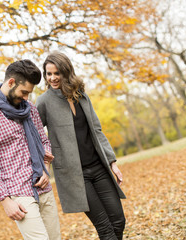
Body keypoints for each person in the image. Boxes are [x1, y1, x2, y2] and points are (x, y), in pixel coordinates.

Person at [36, 51, 126, 240]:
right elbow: (35, 134)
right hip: (75, 176)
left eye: (56, 73)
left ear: (66, 72)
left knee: (118, 220)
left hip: (99, 168)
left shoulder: (81, 95)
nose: (52, 78)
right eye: (48, 74)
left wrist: (112, 162)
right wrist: (43, 161)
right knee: (105, 228)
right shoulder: (44, 102)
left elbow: (97, 130)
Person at [0, 59, 61, 240]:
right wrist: (5, 201)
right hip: (19, 192)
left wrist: (46, 168)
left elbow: (44, 141)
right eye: (24, 92)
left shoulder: (30, 110)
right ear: (11, 82)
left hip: (43, 186)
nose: (26, 98)